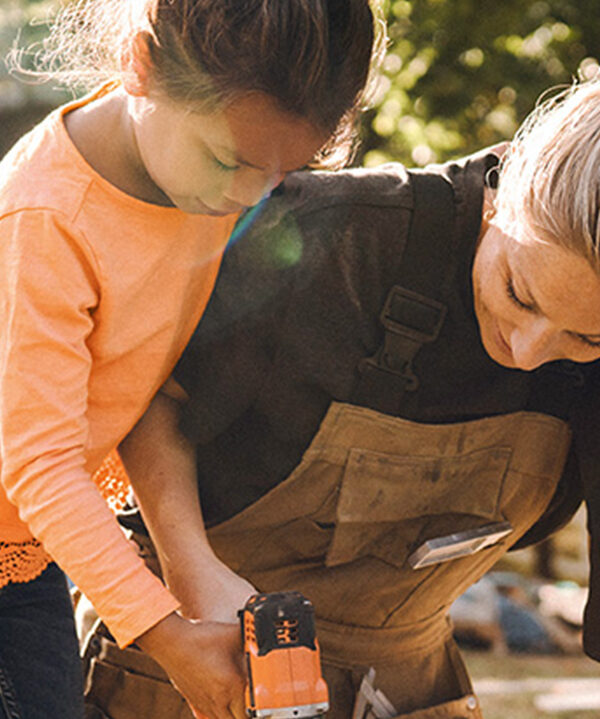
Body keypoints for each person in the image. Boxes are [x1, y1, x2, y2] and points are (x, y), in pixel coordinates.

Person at [82, 66, 600, 719]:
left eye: (586, 340)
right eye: (517, 293)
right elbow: (157, 395)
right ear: (503, 194)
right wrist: (190, 576)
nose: (527, 350)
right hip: (195, 655)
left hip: (407, 683)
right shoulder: (329, 235)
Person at [0, 1, 384, 718]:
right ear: (140, 66)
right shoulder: (46, 220)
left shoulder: (192, 186)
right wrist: (167, 634)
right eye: (228, 160)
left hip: (25, 546)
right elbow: (38, 461)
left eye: (281, 173)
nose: (248, 196)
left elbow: (146, 387)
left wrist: (192, 570)